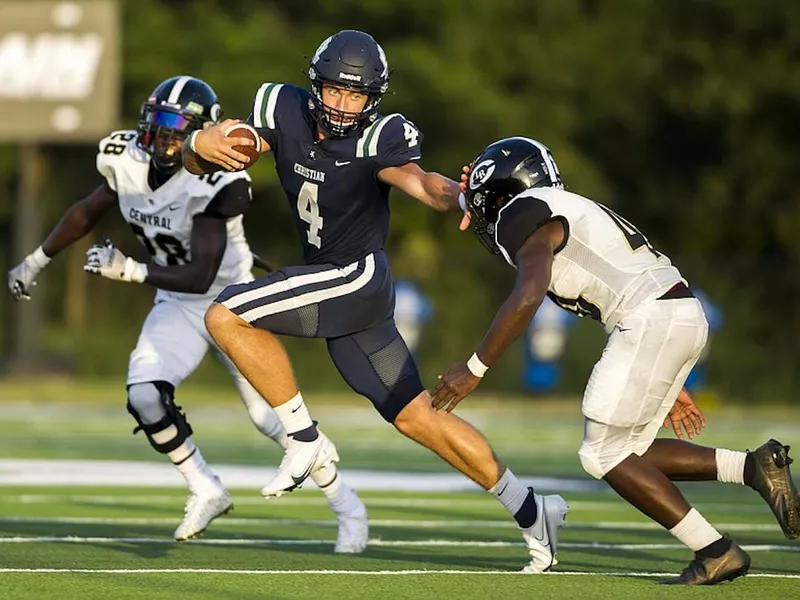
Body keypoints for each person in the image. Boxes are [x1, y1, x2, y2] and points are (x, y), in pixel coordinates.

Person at [182, 30, 569, 572]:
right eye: (335, 91)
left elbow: (420, 182)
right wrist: (202, 145)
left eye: (356, 95)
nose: (343, 104)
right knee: (420, 419)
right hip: (342, 288)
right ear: (315, 86)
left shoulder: (380, 138)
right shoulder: (282, 107)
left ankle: (303, 437)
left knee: (225, 315)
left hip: (353, 276)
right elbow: (231, 146)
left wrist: (462, 196)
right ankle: (533, 511)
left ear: (373, 99)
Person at [7, 76, 368, 552]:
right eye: (158, 127)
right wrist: (36, 260)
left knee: (269, 419)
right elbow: (89, 209)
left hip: (234, 305)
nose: (163, 140)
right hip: (175, 302)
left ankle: (349, 508)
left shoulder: (220, 180)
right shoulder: (125, 158)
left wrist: (131, 270)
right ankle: (205, 487)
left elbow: (200, 276)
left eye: (177, 130)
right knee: (145, 396)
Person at [433, 136, 800, 585]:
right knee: (633, 451)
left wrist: (473, 368)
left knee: (602, 454)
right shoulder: (561, 206)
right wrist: (664, 373)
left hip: (650, 319)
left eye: (485, 203)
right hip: (677, 314)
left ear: (504, 194)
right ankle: (752, 466)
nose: (483, 217)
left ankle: (716, 551)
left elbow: (528, 294)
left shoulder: (521, 211)